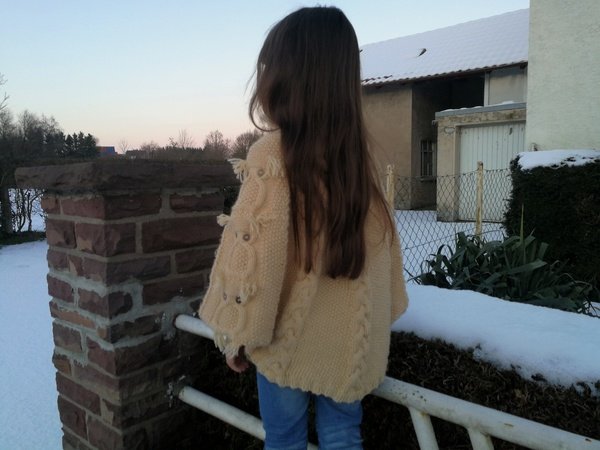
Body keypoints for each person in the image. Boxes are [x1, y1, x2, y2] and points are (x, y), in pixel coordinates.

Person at [199, 6, 408, 450]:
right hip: (351, 348)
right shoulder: (360, 162)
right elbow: (383, 257)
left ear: (285, 77)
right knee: (343, 437)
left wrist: (239, 335)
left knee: (285, 439)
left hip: (285, 346)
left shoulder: (272, 155)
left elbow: (256, 258)